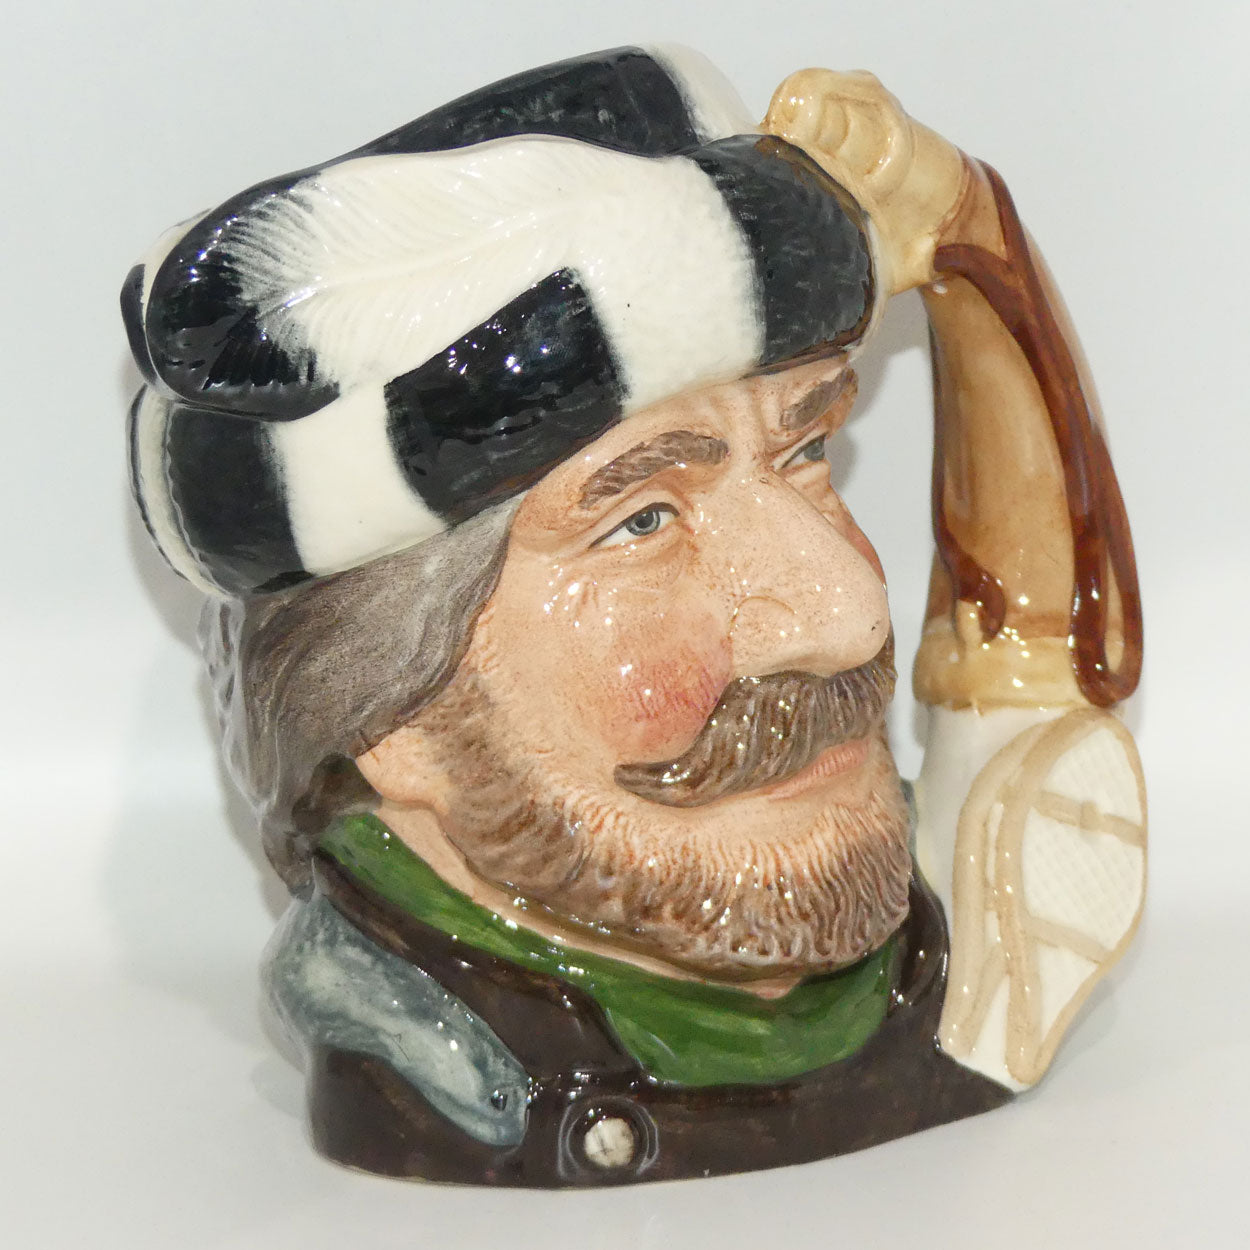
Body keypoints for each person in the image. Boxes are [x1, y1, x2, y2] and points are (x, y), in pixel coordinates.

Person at [122, 46, 1143, 1185]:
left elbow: (1036, 679)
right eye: (641, 520)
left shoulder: (965, 956)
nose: (846, 612)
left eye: (806, 451)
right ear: (393, 720)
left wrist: (970, 244)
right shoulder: (444, 1082)